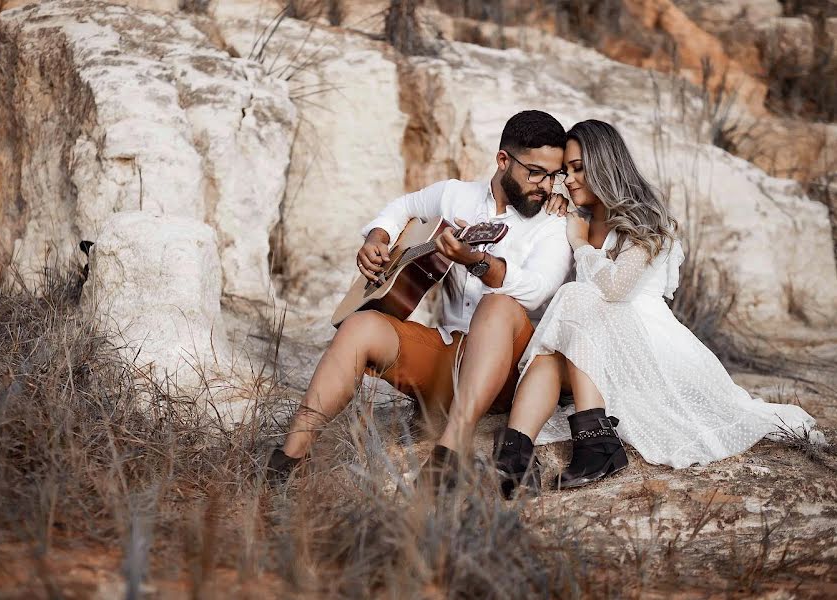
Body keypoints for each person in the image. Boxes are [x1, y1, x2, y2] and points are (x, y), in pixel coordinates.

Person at [492, 119, 818, 496]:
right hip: (595, 353)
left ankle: (597, 443)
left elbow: (615, 289)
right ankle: (515, 453)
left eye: (579, 168)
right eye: (566, 171)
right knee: (553, 349)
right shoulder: (573, 217)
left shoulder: (645, 221)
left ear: (606, 165)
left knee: (576, 297)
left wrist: (581, 244)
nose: (570, 179)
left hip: (650, 347)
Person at [265, 110, 573, 489]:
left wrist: (477, 262)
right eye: (535, 172)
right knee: (360, 326)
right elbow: (403, 208)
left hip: (513, 369)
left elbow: (538, 288)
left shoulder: (553, 224)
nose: (545, 186)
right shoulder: (455, 195)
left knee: (499, 303)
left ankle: (450, 453)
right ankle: (286, 462)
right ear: (503, 161)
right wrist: (376, 238)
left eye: (554, 175)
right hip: (448, 356)